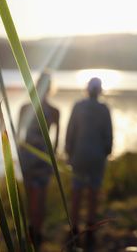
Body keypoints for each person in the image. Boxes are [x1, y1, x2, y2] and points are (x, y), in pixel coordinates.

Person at [65, 77, 113, 249]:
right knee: (93, 191)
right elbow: (109, 135)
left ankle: (74, 227)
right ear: (99, 90)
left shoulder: (78, 106)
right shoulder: (104, 109)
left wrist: (68, 152)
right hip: (96, 157)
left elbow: (70, 130)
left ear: (87, 89)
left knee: (77, 190)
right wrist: (106, 152)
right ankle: (90, 228)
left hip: (79, 155)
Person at [17, 73, 60, 249]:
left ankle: (34, 230)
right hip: (42, 157)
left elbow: (17, 135)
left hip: (30, 157)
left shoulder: (26, 107)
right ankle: (37, 231)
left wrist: (20, 154)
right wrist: (53, 156)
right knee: (38, 197)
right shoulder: (54, 110)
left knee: (32, 196)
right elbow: (57, 139)